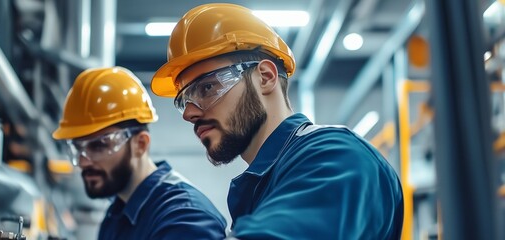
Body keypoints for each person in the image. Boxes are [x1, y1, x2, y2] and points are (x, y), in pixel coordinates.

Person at [151, 3, 404, 239]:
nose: (189, 113)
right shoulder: (259, 186)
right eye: (185, 100)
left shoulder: (337, 156)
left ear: (265, 77)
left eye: (207, 88)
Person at [53, 67, 227, 239]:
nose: (84, 162)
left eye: (98, 146)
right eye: (78, 149)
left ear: (140, 144)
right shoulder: (116, 215)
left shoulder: (184, 219)